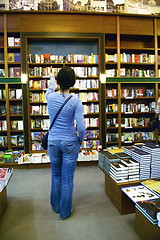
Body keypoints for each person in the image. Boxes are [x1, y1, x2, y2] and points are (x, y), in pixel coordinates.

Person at [46, 66, 86, 220]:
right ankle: (65, 212)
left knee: (55, 175)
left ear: (58, 81)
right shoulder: (76, 101)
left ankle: (55, 206)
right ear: (73, 82)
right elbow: (81, 127)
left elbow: (50, 87)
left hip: (53, 141)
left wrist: (51, 78)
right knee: (67, 178)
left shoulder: (49, 97)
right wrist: (80, 140)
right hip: (70, 142)